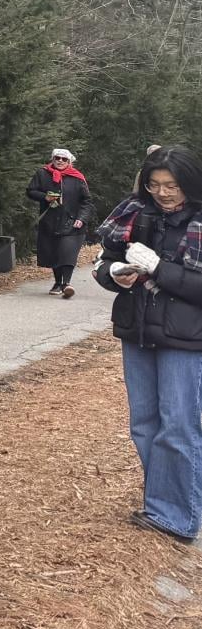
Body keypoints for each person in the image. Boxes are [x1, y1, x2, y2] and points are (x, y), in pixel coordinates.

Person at [95, 145, 202, 543]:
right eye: (155, 185)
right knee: (144, 424)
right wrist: (116, 273)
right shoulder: (135, 213)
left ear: (189, 182)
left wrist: (160, 268)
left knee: (179, 426)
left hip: (186, 337)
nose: (163, 193)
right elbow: (104, 262)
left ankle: (179, 516)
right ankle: (162, 503)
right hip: (137, 329)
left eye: (172, 185)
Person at [31, 146, 94, 298]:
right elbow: (31, 190)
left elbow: (87, 201)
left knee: (67, 253)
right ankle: (58, 282)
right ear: (52, 159)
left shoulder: (77, 177)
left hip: (72, 222)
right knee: (54, 253)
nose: (60, 161)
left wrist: (81, 218)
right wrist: (44, 197)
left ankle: (66, 283)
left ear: (69, 162)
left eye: (64, 159)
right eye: (57, 158)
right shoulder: (42, 173)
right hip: (50, 221)